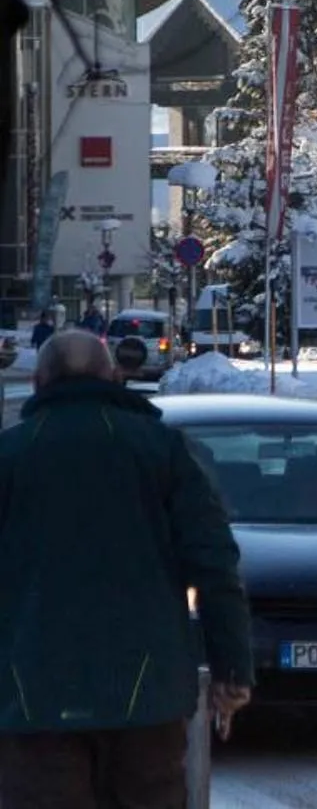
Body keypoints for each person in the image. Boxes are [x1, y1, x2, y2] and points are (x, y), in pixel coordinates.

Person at [0, 330, 252, 807]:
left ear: (37, 382)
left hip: (30, 697)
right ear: (114, 377)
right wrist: (232, 668)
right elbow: (215, 562)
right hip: (147, 694)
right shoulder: (163, 451)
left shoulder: (10, 455)